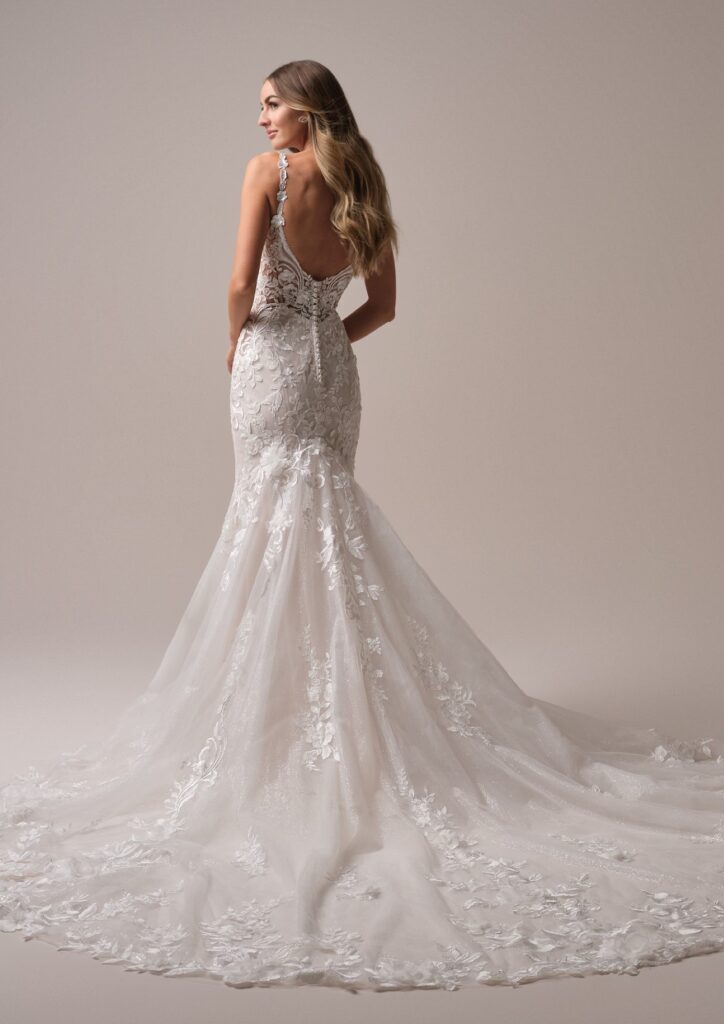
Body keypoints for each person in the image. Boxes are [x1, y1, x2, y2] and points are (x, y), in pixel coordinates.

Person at [1, 59, 724, 995]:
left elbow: (238, 281)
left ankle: (272, 724)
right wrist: (326, 341)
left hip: (269, 365)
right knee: (323, 531)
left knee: (267, 532)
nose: (261, 119)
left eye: (272, 104)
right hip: (332, 375)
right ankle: (332, 712)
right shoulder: (364, 178)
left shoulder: (268, 174)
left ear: (307, 110)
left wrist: (237, 343)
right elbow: (383, 307)